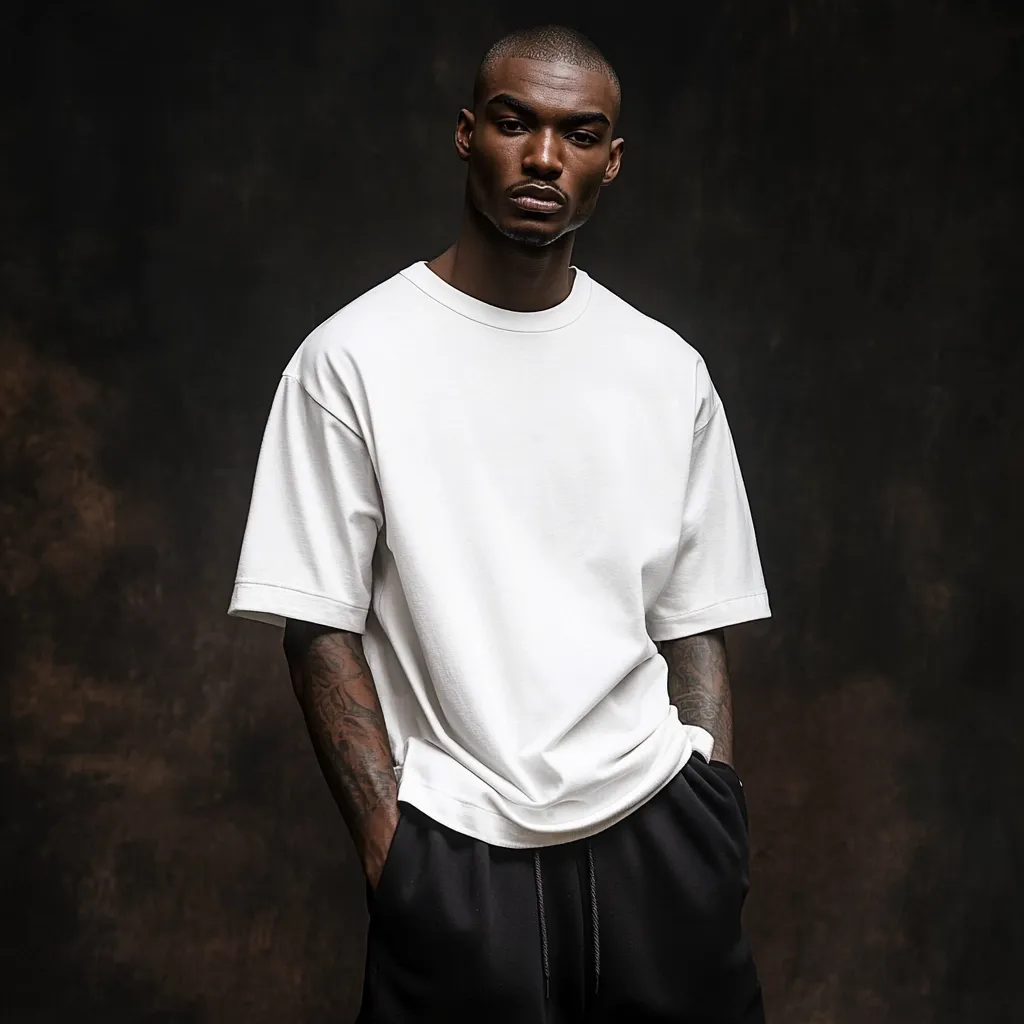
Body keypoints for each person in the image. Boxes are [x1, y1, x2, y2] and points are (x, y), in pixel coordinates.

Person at [229, 22, 771, 1024]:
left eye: (576, 134)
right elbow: (317, 622)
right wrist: (391, 849)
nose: (541, 158)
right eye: (516, 124)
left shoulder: (664, 369)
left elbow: (697, 618)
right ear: (467, 135)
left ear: (611, 160)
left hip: (661, 837)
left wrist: (713, 810)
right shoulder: (352, 358)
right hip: (456, 849)